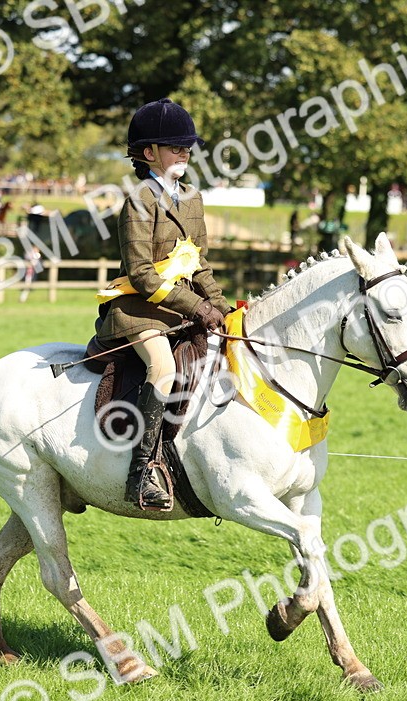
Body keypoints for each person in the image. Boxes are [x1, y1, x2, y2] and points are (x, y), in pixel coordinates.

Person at [94, 98, 234, 510]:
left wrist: (222, 309)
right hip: (139, 309)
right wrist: (196, 308)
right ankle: (141, 472)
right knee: (164, 366)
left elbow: (198, 263)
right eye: (175, 146)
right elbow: (141, 274)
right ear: (148, 153)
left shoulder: (192, 198)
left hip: (180, 306)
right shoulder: (138, 200)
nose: (185, 151)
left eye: (187, 145)